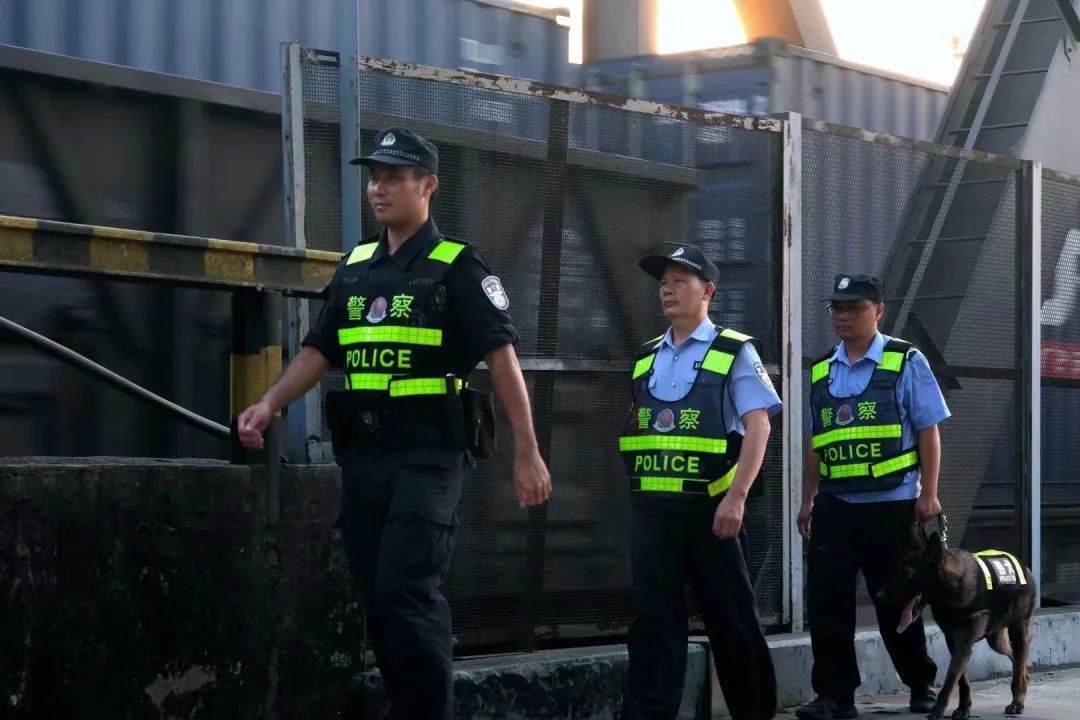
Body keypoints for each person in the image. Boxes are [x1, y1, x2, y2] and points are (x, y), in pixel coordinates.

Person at [236, 127, 552, 720]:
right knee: (378, 597)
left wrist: (526, 451)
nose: (378, 189)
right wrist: (270, 402)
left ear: (428, 186)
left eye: (393, 178)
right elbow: (320, 349)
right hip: (365, 457)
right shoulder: (356, 266)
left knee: (407, 588)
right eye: (374, 178)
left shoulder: (456, 266)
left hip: (428, 456)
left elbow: (501, 358)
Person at [619, 245, 779, 720]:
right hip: (654, 513)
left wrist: (737, 498)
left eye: (679, 282)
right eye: (663, 283)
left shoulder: (733, 351)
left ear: (707, 291)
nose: (667, 290)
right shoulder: (646, 357)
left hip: (712, 512)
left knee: (731, 618)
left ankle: (754, 713)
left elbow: (759, 426)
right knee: (653, 621)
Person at [796, 273, 949, 720]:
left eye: (854, 308)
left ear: (878, 311)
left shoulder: (905, 360)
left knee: (895, 599)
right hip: (835, 506)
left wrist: (929, 494)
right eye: (837, 308)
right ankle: (835, 697)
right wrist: (808, 499)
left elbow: (928, 429)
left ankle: (920, 684)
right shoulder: (822, 369)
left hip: (892, 504)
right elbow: (817, 441)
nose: (843, 316)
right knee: (827, 603)